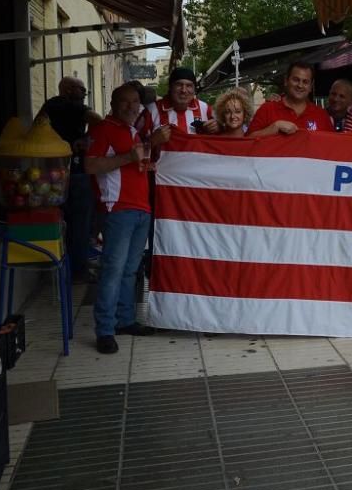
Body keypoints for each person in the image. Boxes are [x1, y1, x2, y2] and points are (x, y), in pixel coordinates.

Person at [85, 84, 170, 354]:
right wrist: (126, 158)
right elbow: (90, 165)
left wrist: (145, 160)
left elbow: (135, 164)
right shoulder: (101, 129)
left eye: (136, 102)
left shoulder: (133, 132)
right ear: (113, 103)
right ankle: (105, 330)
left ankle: (124, 320)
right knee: (113, 270)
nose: (132, 106)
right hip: (117, 209)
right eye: (125, 101)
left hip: (140, 208)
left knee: (130, 270)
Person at [38, 77, 102, 283]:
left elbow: (36, 127)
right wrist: (86, 139)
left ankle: (63, 264)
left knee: (62, 222)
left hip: (50, 173)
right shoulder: (69, 105)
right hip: (73, 171)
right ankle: (78, 270)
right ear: (68, 90)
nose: (85, 93)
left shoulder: (48, 107)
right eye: (81, 89)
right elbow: (98, 120)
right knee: (80, 222)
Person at [247, 62, 334, 137]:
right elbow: (246, 142)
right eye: (296, 80)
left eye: (305, 82)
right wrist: (274, 127)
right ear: (286, 81)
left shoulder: (321, 115)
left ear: (311, 86)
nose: (300, 85)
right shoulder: (267, 110)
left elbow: (332, 147)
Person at [148, 67, 218, 134]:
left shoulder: (205, 109)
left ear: (194, 89)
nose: (183, 90)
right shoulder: (151, 111)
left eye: (189, 86)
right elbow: (138, 142)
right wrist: (153, 140)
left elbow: (223, 133)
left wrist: (217, 127)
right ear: (170, 87)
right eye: (179, 85)